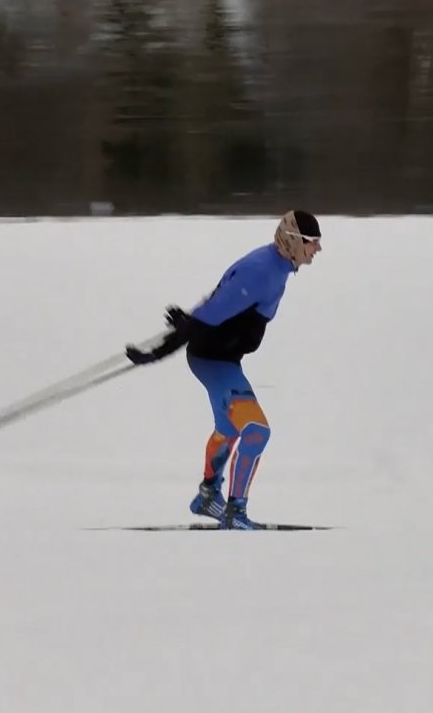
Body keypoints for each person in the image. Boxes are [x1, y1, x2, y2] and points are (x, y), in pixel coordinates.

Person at [125, 210, 323, 530]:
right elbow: (211, 315)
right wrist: (159, 351)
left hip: (221, 358)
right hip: (214, 360)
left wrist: (187, 325)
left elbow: (211, 309)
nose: (318, 249)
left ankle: (207, 496)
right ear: (293, 242)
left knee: (230, 430)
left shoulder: (275, 266)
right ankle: (235, 513)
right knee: (257, 430)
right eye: (312, 242)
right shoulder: (263, 271)